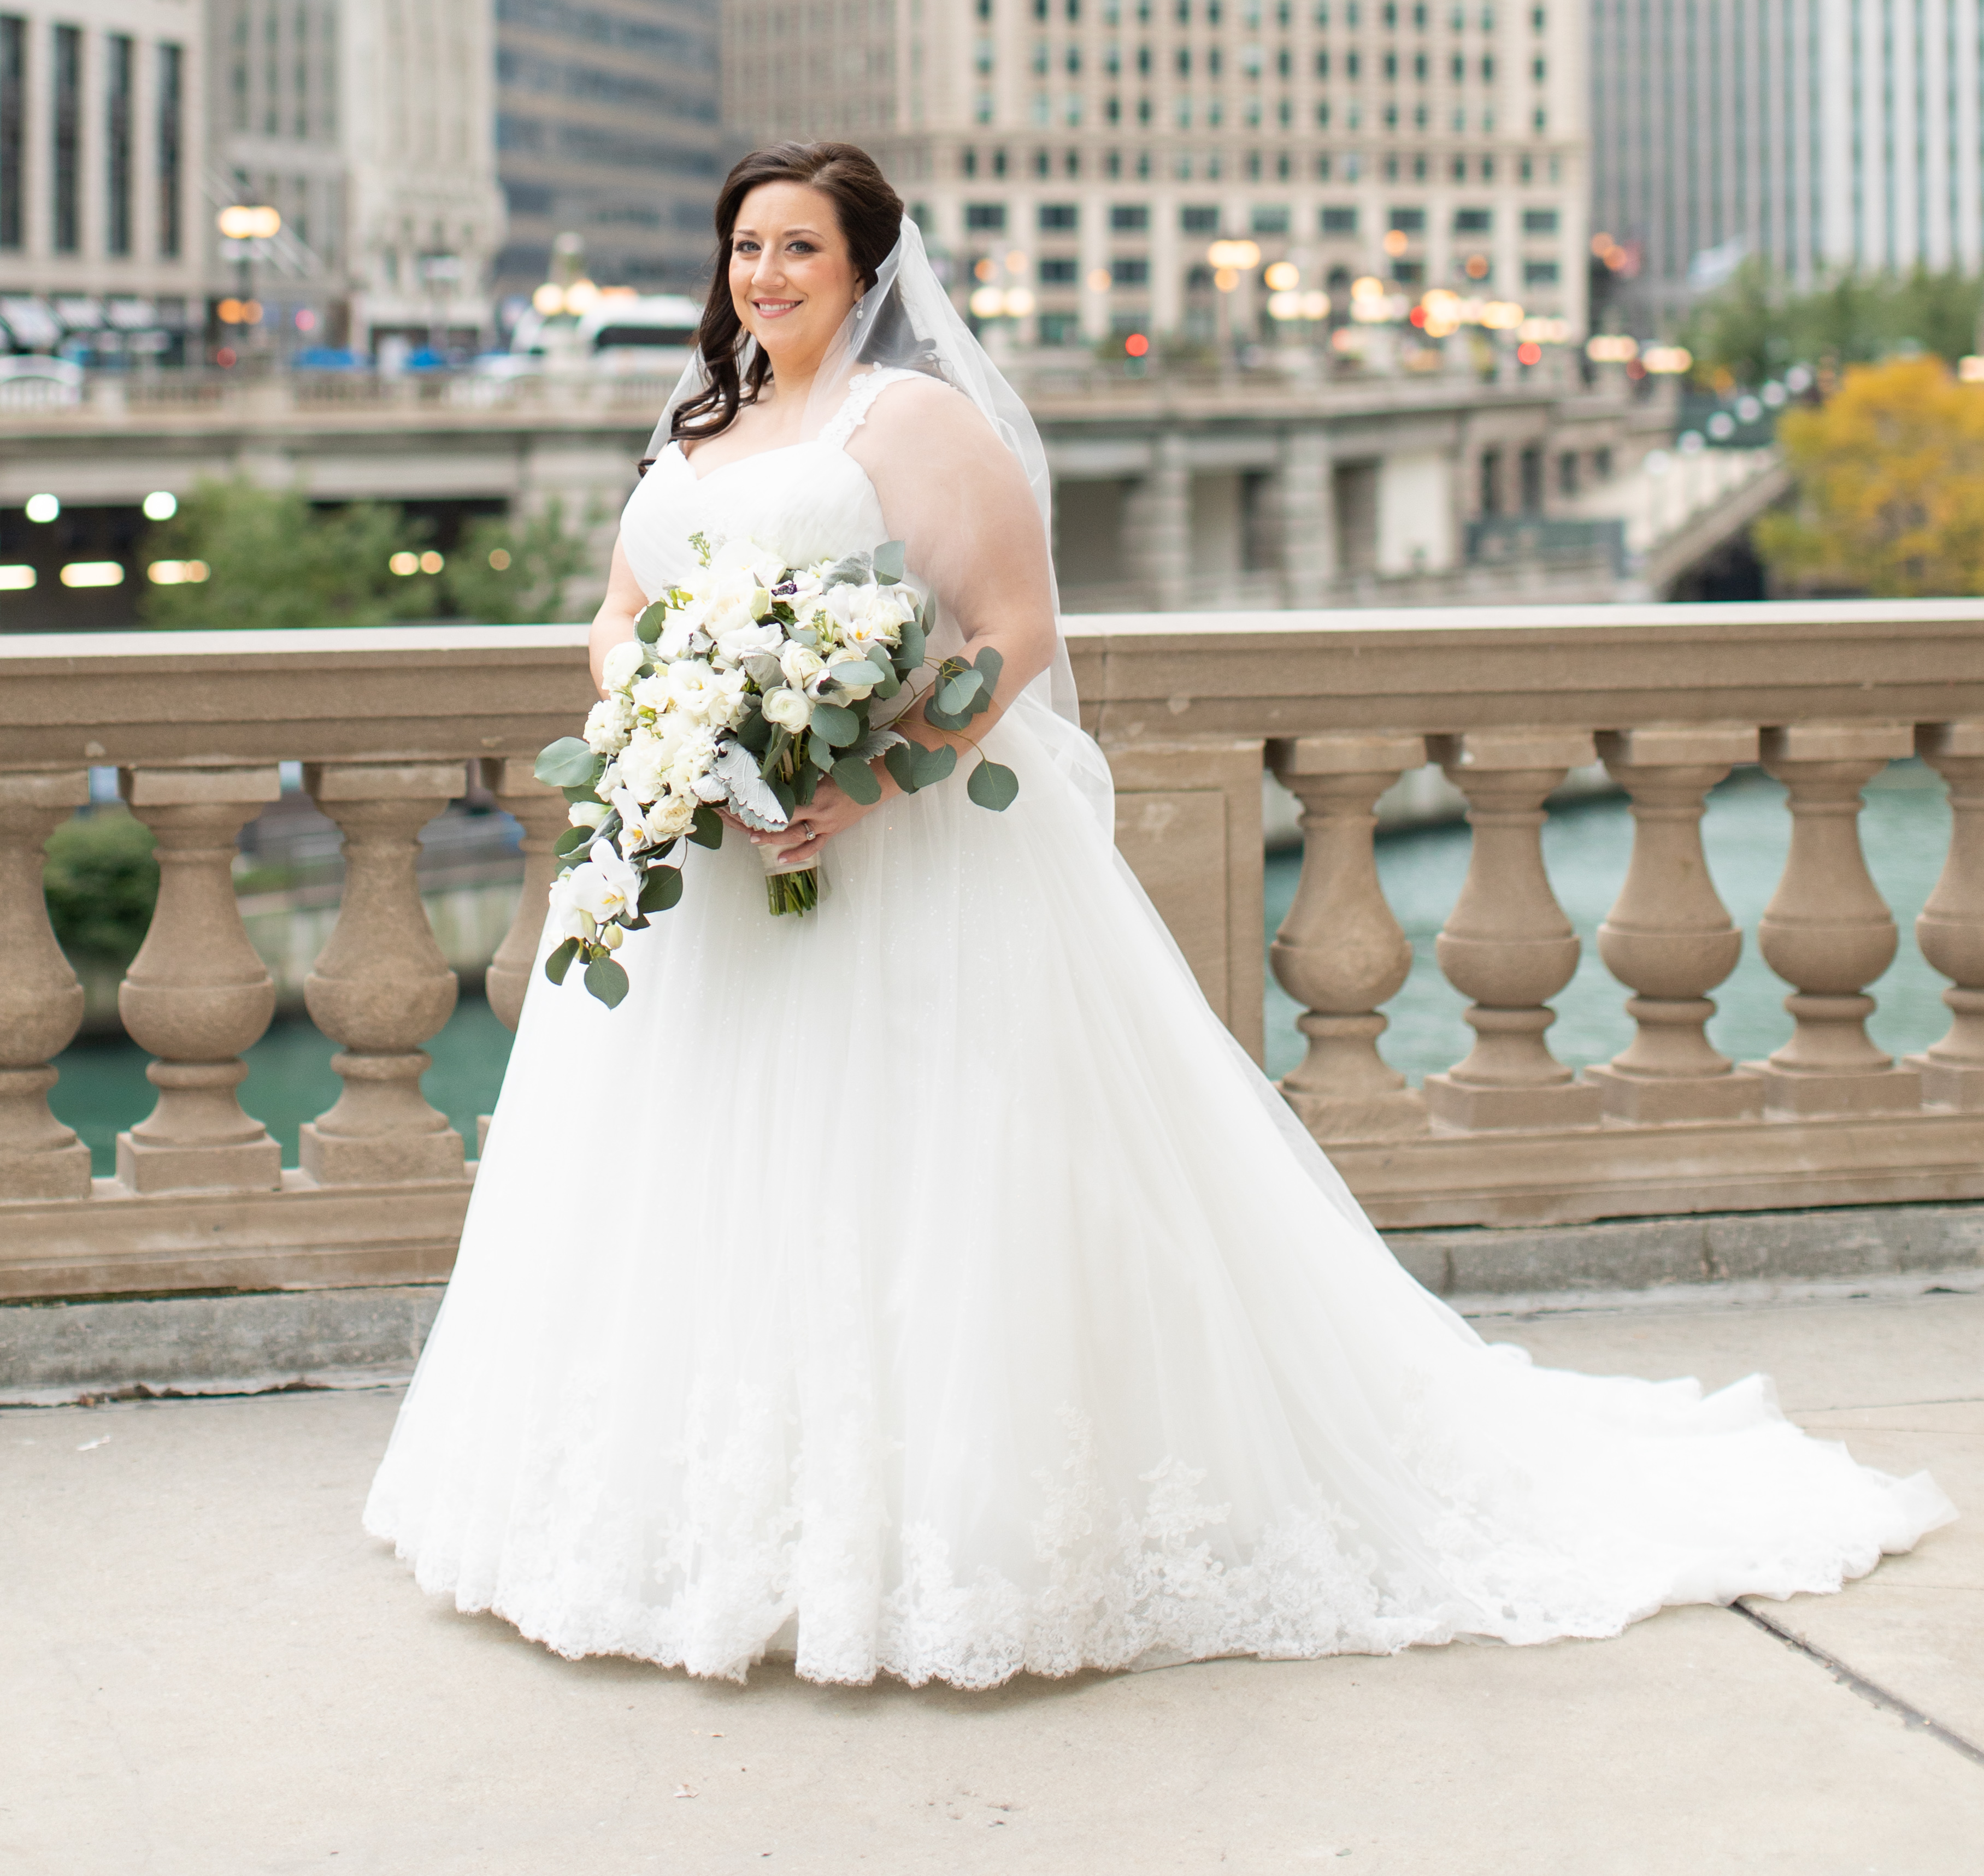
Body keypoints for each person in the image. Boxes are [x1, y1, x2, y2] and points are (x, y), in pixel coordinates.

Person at [366, 140, 1952, 1686]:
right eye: (746, 247)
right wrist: (672, 728)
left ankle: (927, 1543)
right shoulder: (701, 424)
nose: (764, 273)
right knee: (703, 1188)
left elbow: (1013, 627)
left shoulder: (907, 422)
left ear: (862, 274)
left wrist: (875, 772)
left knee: (914, 1187)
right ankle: (707, 1533)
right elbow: (618, 616)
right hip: (704, 872)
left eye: (798, 248)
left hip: (894, 863)